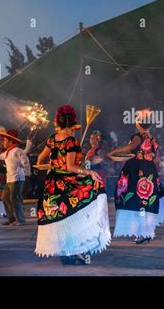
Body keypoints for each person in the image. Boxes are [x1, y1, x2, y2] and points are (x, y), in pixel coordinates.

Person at [35, 105, 110, 265]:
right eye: (74, 128)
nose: (75, 131)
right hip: (67, 184)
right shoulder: (72, 142)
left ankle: (66, 253)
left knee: (64, 219)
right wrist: (88, 172)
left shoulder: (51, 139)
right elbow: (70, 167)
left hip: (51, 184)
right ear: (70, 126)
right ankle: (73, 252)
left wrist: (51, 165)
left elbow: (40, 159)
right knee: (76, 215)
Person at [108, 108, 164, 244]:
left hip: (137, 171)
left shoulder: (138, 136)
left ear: (139, 123)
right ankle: (146, 232)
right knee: (145, 202)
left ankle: (143, 233)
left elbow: (130, 147)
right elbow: (155, 158)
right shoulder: (153, 140)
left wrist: (113, 151)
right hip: (150, 171)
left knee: (136, 201)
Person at [0, 129, 30, 226]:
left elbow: (25, 161)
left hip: (17, 178)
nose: (4, 142)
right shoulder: (7, 152)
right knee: (5, 197)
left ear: (11, 141)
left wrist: (22, 170)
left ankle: (21, 220)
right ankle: (11, 218)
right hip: (9, 179)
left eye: (5, 140)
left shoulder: (17, 150)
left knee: (14, 198)